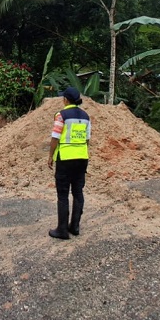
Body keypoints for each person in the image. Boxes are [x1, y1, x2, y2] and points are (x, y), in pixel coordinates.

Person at [47, 86, 91, 240]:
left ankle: (62, 230)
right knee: (78, 192)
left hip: (65, 159)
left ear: (65, 99)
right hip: (82, 158)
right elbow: (86, 139)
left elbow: (55, 137)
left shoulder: (61, 115)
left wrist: (50, 156)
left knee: (63, 194)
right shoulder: (86, 116)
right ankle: (75, 226)